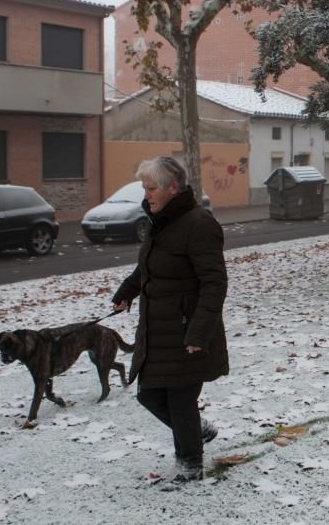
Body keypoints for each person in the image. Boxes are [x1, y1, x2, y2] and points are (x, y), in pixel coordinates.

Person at [111, 156, 228, 484]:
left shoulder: (199, 224)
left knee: (179, 399)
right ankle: (196, 430)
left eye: (151, 188)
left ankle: (190, 468)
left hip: (186, 330)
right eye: (145, 188)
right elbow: (149, 266)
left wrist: (199, 331)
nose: (146, 195)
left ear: (173, 187)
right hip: (157, 329)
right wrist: (128, 290)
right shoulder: (160, 221)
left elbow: (215, 283)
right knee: (149, 395)